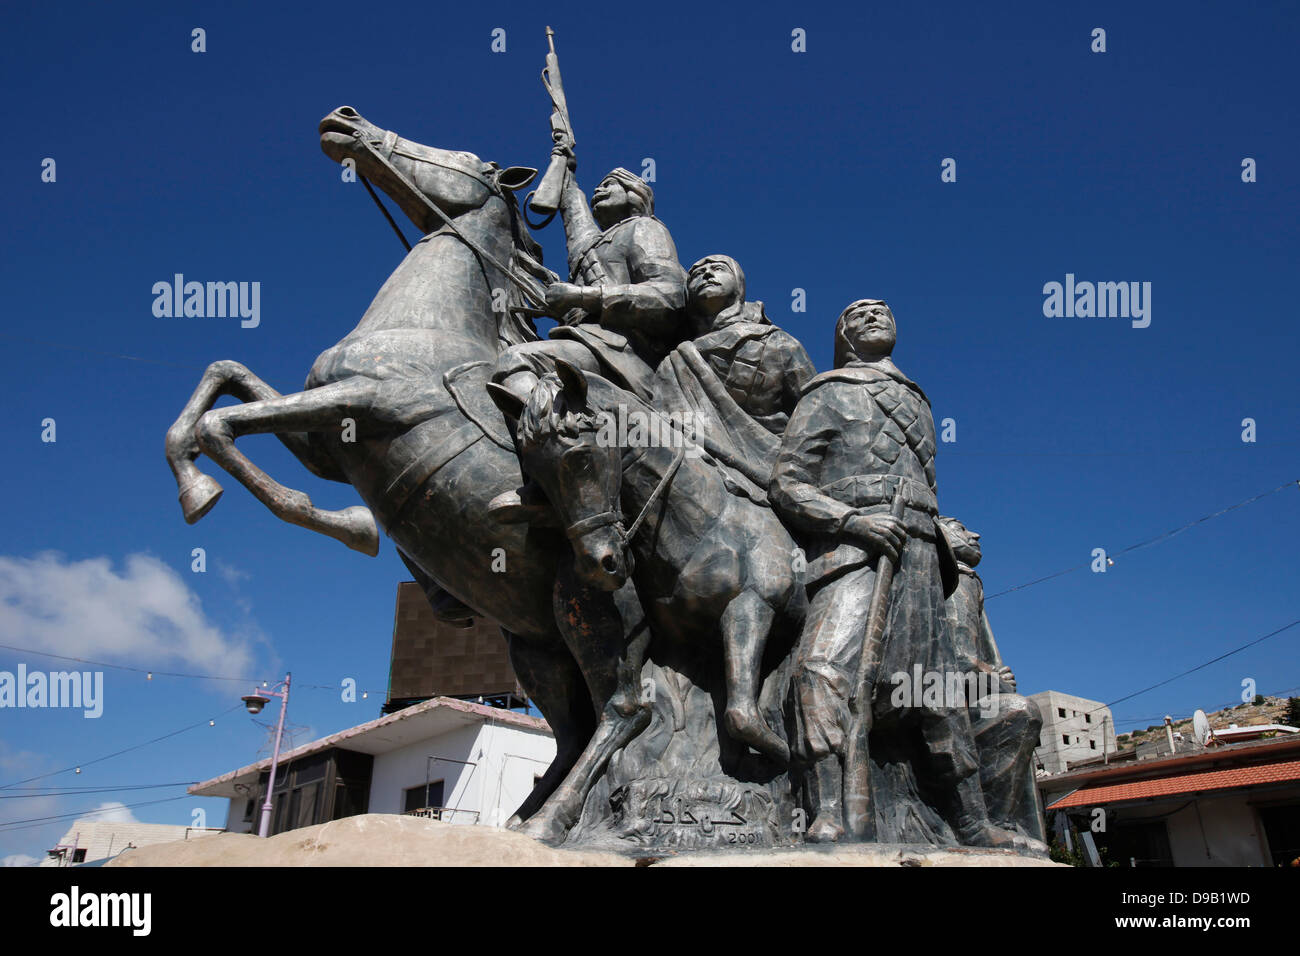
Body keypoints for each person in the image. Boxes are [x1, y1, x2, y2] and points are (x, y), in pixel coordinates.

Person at [770, 299, 1017, 847]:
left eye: (882, 310)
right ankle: (828, 809)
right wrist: (851, 520)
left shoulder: (919, 400)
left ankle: (973, 822)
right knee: (818, 669)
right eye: (856, 313)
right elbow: (787, 482)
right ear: (841, 335)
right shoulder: (826, 392)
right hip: (854, 550)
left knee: (940, 688)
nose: (872, 315)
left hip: (924, 555)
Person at [493, 147, 687, 403]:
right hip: (591, 344)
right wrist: (564, 162)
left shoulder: (644, 228)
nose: (599, 190)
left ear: (634, 193)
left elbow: (671, 295)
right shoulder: (593, 245)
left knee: (516, 358)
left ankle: (547, 433)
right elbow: (571, 203)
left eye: (609, 185)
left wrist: (582, 296)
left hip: (627, 353)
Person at [652, 255, 815, 488]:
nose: (707, 274)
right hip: (695, 472)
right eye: (697, 273)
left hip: (777, 468)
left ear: (739, 284)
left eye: (718, 268)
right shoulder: (675, 362)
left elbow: (815, 415)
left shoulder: (778, 343)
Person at [936, 515, 1045, 841]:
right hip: (939, 704)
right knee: (1020, 712)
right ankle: (988, 825)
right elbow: (960, 663)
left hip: (953, 700)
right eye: (959, 526)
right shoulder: (956, 582)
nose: (975, 533)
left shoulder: (969, 581)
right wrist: (994, 679)